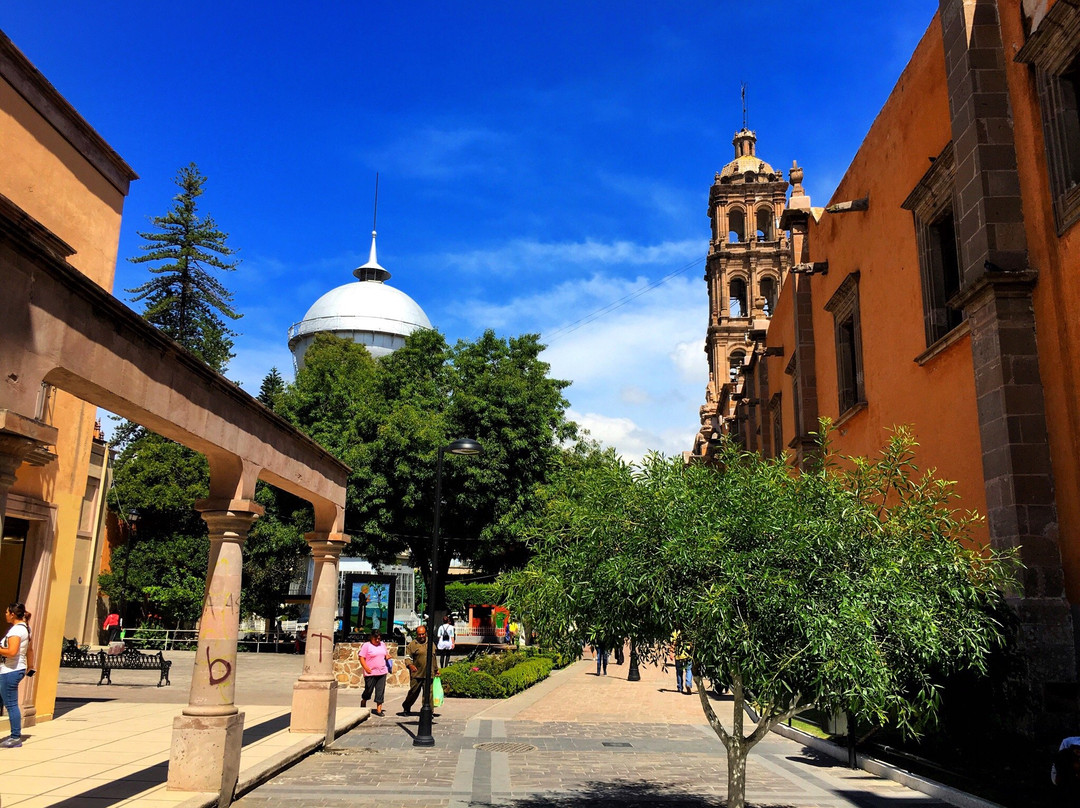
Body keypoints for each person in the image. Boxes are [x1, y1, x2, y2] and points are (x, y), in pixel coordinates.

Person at [0, 603, 33, 748]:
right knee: (8, 702)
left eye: (7, 612)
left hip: (10, 671)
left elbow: (12, 652)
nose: (5, 614)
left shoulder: (16, 631)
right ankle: (15, 736)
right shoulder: (25, 628)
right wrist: (30, 666)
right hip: (14, 669)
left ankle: (15, 737)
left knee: (11, 705)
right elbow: (29, 650)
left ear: (12, 614)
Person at [399, 625, 438, 716]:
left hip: (429, 673)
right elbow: (407, 658)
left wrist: (436, 669)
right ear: (416, 635)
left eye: (423, 634)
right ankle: (406, 706)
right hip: (417, 674)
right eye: (419, 634)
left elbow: (434, 658)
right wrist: (410, 665)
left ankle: (429, 711)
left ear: (426, 634)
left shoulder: (431, 644)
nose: (421, 636)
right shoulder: (412, 645)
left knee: (429, 693)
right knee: (413, 692)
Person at [358, 629, 390, 717]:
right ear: (371, 637)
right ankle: (364, 700)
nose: (377, 640)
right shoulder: (366, 646)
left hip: (382, 671)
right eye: (375, 638)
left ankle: (379, 709)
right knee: (369, 690)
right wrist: (366, 667)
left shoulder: (382, 644)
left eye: (379, 638)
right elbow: (361, 657)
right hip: (370, 672)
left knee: (380, 690)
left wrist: (387, 656)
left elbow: (385, 654)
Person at [671, 629, 692, 694]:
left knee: (679, 672)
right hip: (687, 656)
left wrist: (671, 653)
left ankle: (680, 687)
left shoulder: (675, 632)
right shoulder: (688, 631)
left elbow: (673, 644)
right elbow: (692, 644)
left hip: (678, 656)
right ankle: (688, 683)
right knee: (688, 670)